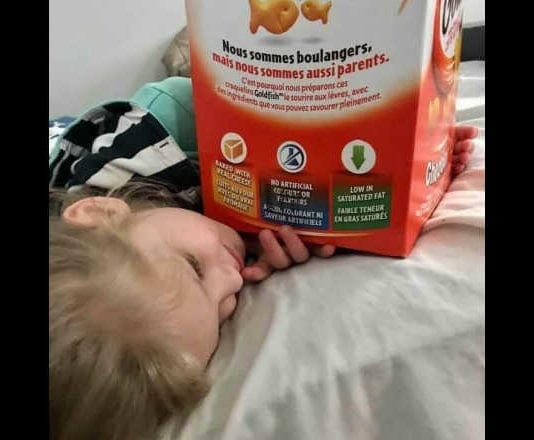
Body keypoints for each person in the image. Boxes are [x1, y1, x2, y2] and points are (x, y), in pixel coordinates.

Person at [49, 76, 478, 440]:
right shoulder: (158, 265)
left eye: (195, 268)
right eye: (222, 312)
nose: (233, 281)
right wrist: (421, 153)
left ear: (101, 213)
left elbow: (209, 101)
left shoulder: (139, 140)